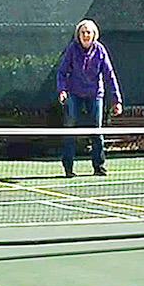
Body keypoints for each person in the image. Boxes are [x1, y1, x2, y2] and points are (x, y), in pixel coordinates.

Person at [56, 19, 123, 177]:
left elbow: (109, 75)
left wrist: (116, 100)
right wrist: (62, 90)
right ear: (78, 35)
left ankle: (99, 166)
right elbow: (61, 72)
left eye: (89, 32)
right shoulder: (72, 49)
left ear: (94, 35)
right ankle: (68, 167)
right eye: (83, 32)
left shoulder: (100, 50)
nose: (85, 35)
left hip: (95, 94)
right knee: (70, 129)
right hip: (74, 93)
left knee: (97, 130)